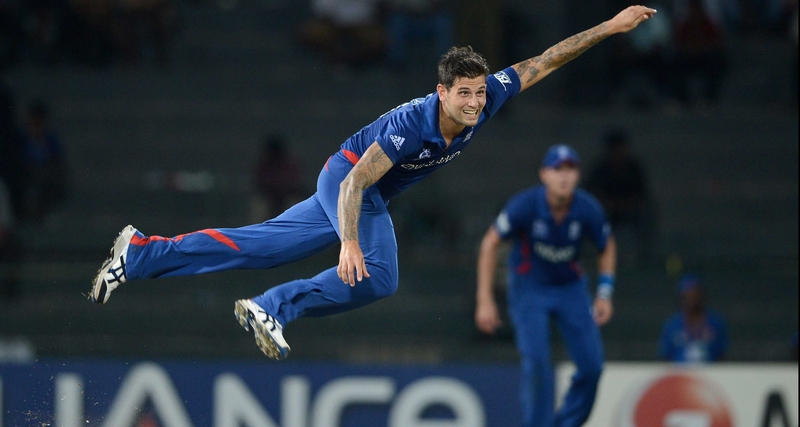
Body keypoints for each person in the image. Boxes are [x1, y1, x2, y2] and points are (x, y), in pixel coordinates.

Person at [89, 6, 657, 361]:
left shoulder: (486, 101)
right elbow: (356, 181)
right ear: (441, 92)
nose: (476, 102)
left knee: (256, 246)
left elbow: (544, 61)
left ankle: (139, 254)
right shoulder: (412, 125)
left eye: (481, 93)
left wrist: (610, 25)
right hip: (351, 183)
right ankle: (274, 307)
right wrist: (350, 240)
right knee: (379, 276)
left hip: (363, 187)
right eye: (465, 94)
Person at [474, 145, 617, 427]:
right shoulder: (525, 205)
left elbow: (607, 246)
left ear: (577, 175)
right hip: (530, 288)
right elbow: (490, 243)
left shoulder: (587, 208)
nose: (564, 177)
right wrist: (485, 299)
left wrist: (604, 292)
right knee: (536, 361)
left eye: (570, 170)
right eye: (557, 169)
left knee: (593, 366)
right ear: (544, 175)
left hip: (570, 289)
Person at [585, 129, 654, 266]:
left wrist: (624, 204)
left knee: (645, 214)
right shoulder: (601, 168)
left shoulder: (633, 168)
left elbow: (642, 195)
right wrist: (607, 203)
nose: (618, 153)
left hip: (630, 211)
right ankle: (591, 256)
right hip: (607, 212)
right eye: (615, 149)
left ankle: (644, 257)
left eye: (621, 148)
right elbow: (588, 193)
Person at [659, 273, 729, 363]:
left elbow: (722, 354)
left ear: (701, 295)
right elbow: (666, 356)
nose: (692, 298)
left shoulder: (716, 323)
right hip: (680, 373)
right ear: (681, 297)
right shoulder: (672, 325)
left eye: (695, 294)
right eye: (688, 295)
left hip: (709, 373)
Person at [249, 135, 307, 223]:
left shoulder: (288, 164)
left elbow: (296, 183)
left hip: (287, 196)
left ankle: (295, 231)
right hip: (268, 197)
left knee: (295, 205)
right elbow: (259, 183)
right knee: (259, 207)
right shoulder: (264, 164)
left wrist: (284, 194)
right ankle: (255, 233)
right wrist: (272, 195)